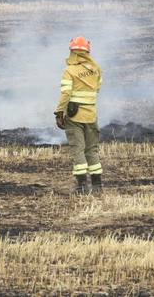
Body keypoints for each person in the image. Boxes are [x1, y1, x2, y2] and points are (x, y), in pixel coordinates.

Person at [54, 36, 104, 194]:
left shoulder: (70, 71)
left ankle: (81, 187)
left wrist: (59, 112)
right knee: (92, 150)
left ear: (72, 52)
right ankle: (97, 186)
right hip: (91, 115)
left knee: (78, 150)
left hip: (75, 118)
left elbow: (65, 94)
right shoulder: (96, 69)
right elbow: (97, 90)